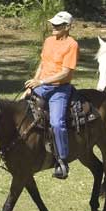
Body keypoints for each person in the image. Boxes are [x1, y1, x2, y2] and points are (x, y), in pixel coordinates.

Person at [24, 11, 78, 180]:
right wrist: (35, 80)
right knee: (19, 107)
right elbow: (43, 63)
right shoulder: (48, 41)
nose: (53, 27)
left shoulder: (72, 45)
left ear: (67, 27)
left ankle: (62, 161)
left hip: (59, 90)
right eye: (53, 24)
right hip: (42, 84)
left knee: (57, 122)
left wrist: (42, 82)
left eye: (58, 25)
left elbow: (65, 73)